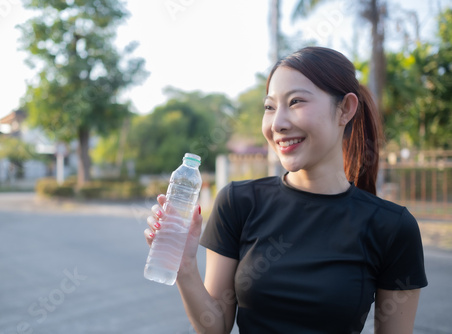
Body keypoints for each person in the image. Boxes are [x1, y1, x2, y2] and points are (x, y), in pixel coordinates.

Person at [144, 46, 428, 333]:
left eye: (296, 102)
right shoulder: (238, 202)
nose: (277, 124)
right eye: (269, 107)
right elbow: (215, 326)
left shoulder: (392, 227)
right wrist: (185, 268)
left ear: (345, 109)